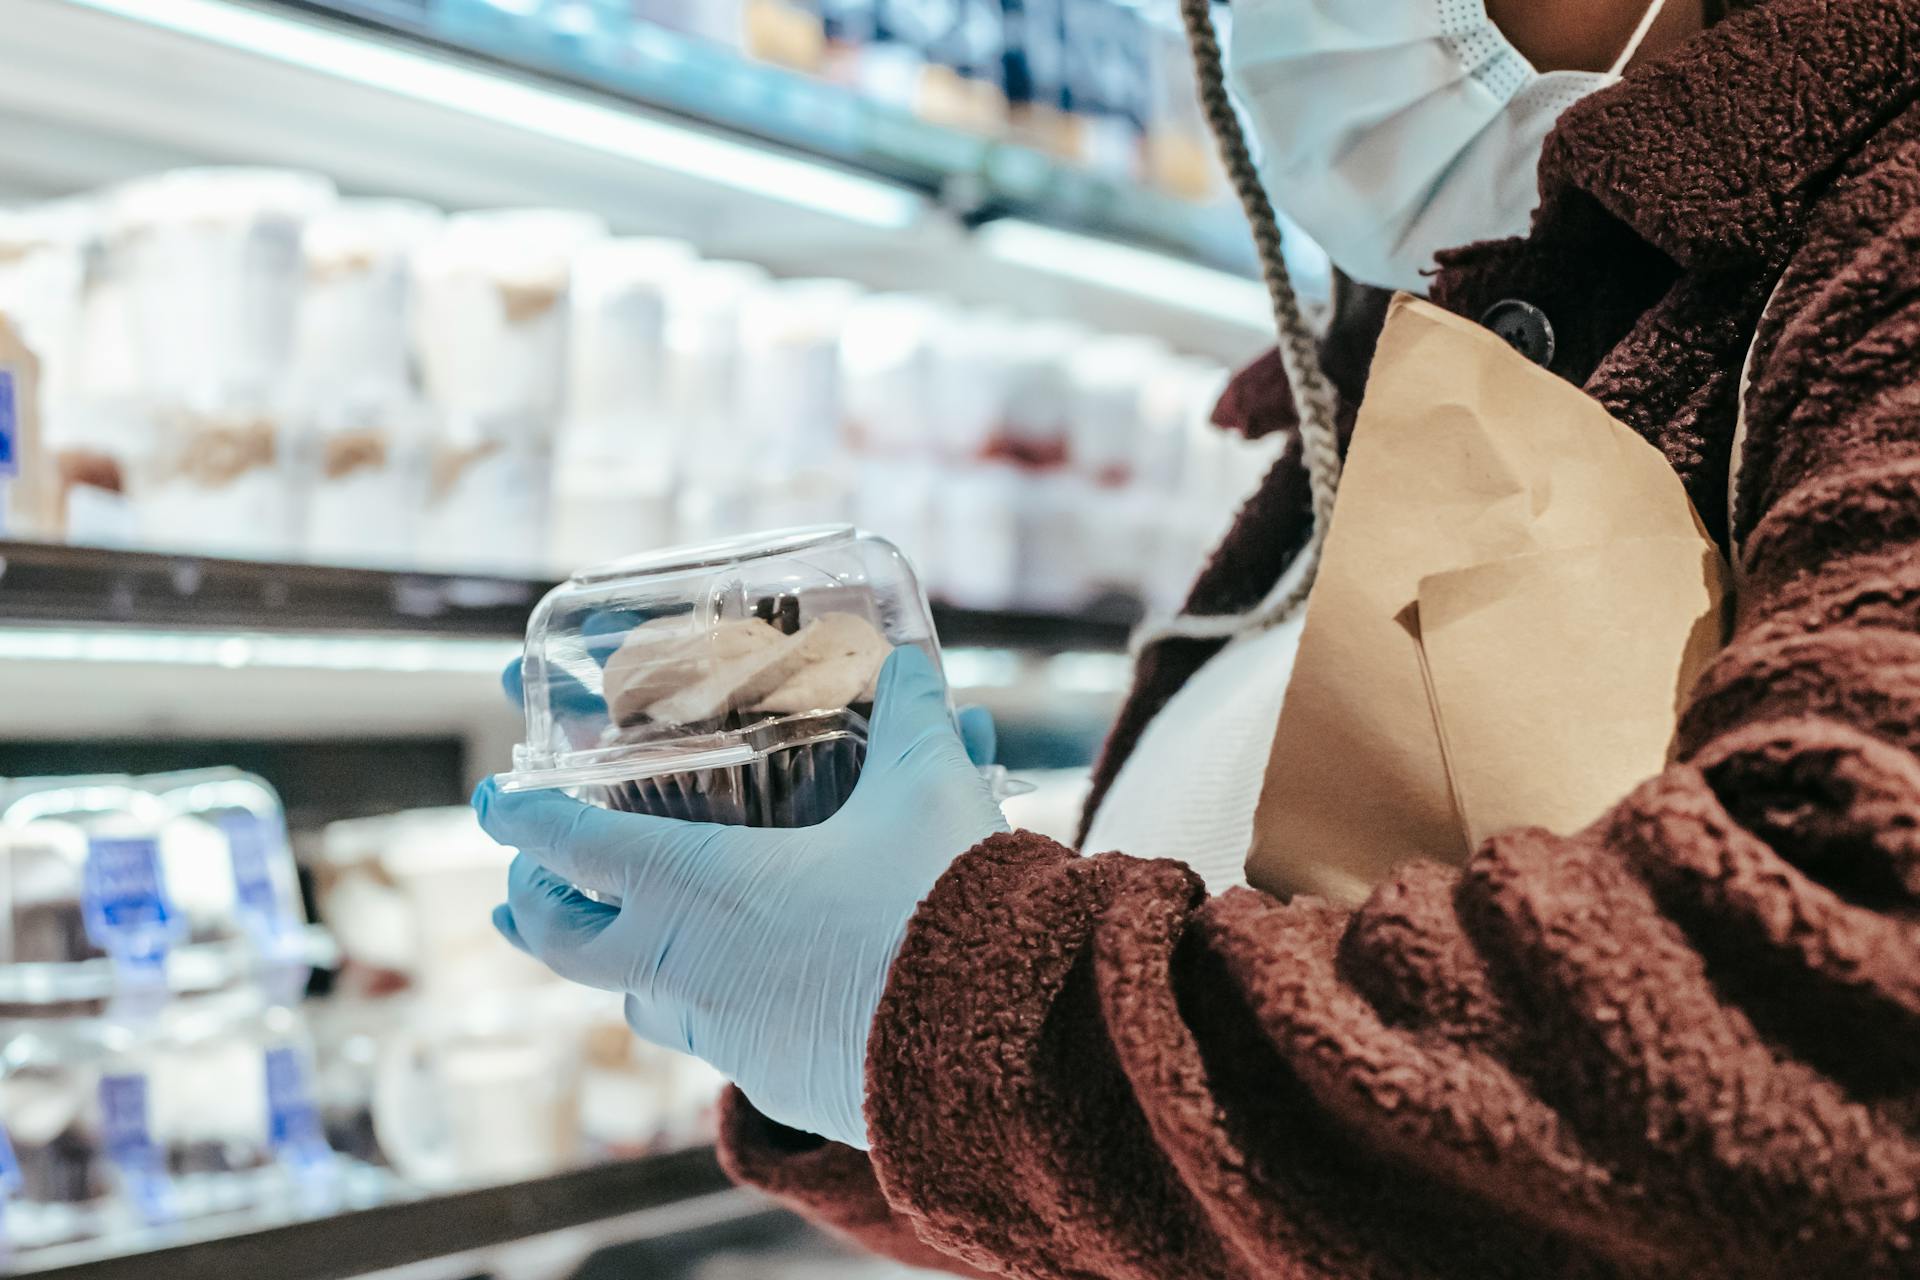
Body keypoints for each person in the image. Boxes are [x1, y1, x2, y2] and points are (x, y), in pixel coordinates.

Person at [473, 0, 1920, 1274]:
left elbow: (1837, 1043)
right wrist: (858, 1055)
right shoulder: (1435, 337)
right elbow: (1232, 1187)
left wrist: (941, 1000)